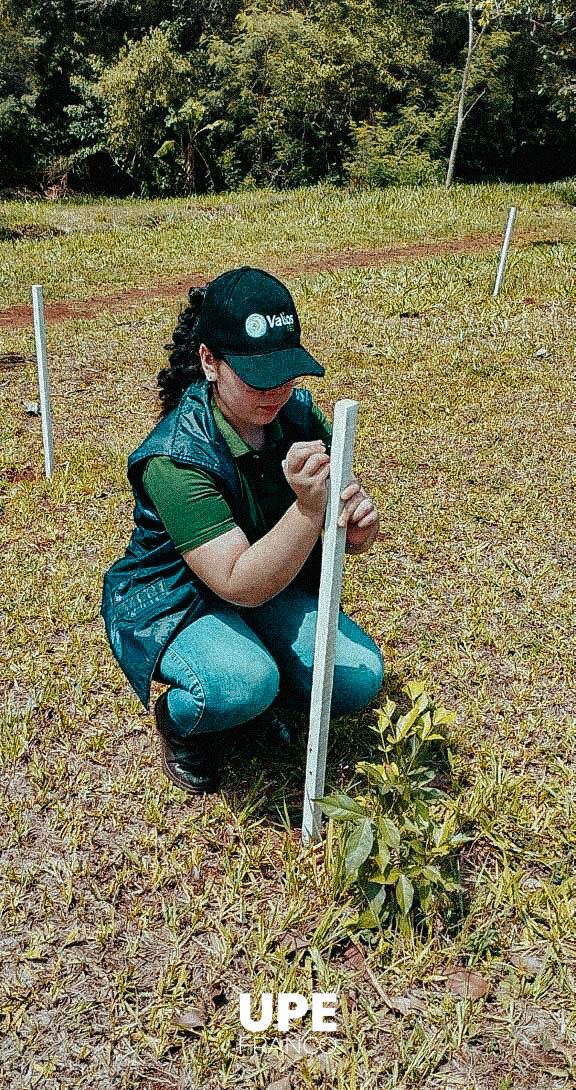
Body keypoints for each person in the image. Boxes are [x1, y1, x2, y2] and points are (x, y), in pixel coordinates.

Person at [101, 266, 384, 794]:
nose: (276, 390)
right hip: (179, 596)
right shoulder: (174, 457)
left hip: (265, 576)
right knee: (240, 683)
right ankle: (183, 723)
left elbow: (338, 512)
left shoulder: (296, 411)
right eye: (257, 375)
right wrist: (307, 511)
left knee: (357, 677)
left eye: (287, 371)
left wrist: (354, 525)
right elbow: (237, 580)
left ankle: (261, 681)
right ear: (210, 361)